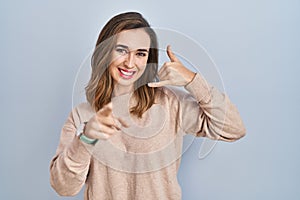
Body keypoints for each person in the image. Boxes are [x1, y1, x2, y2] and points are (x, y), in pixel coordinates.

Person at [50, 11, 246, 200]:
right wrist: (86, 139)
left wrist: (192, 80)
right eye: (121, 50)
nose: (130, 63)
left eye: (140, 54)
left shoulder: (171, 103)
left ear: (148, 59)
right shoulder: (82, 115)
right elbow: (64, 187)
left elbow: (234, 129)